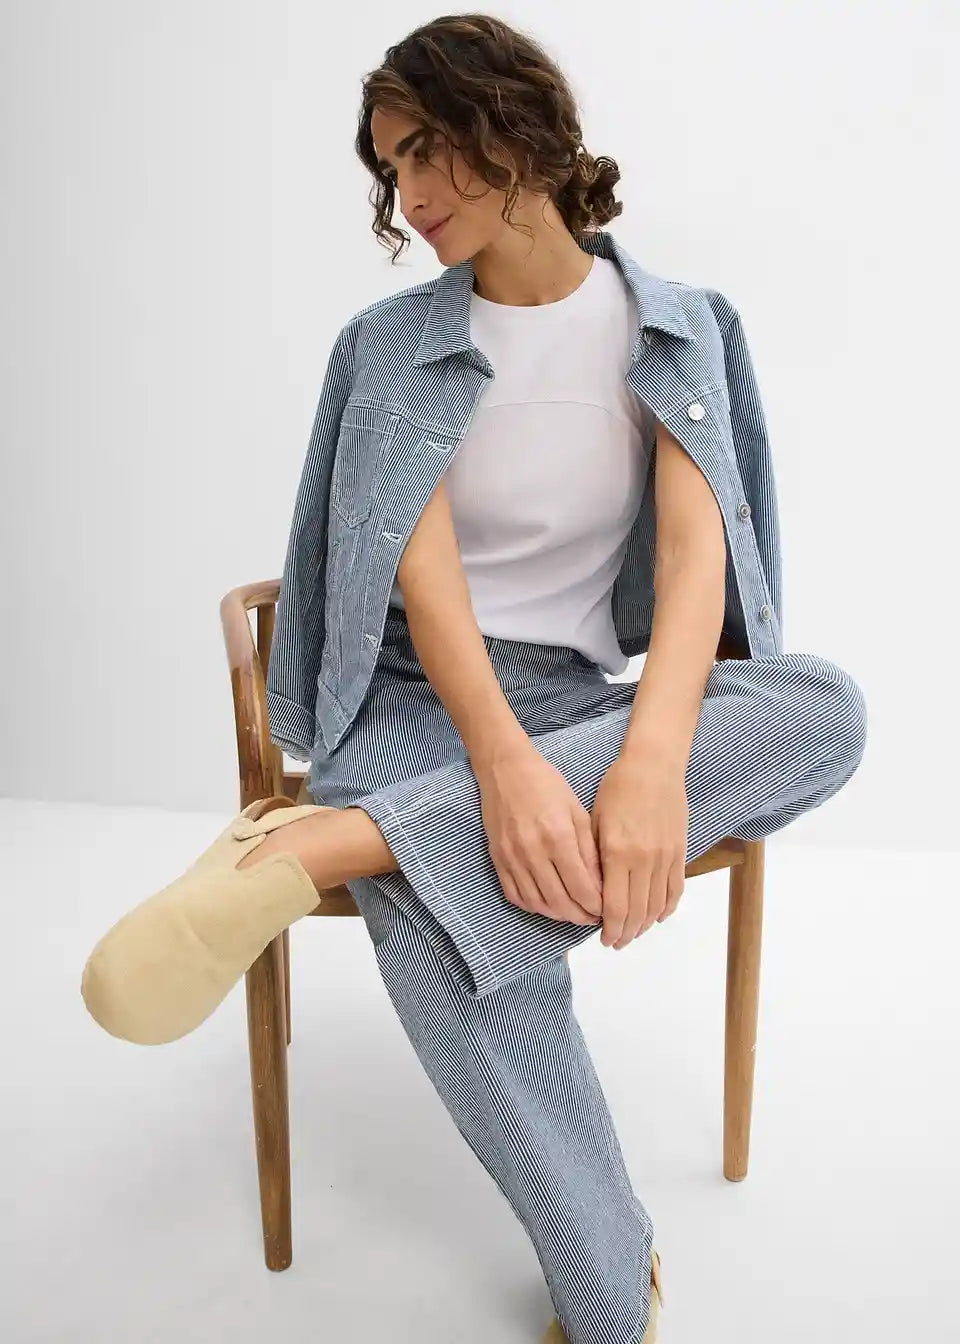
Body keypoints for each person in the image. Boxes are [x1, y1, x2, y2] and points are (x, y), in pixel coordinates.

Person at [81, 14, 868, 1344]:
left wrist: (650, 765)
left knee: (827, 707)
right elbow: (423, 576)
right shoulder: (391, 345)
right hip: (414, 696)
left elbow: (695, 566)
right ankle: (610, 1293)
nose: (406, 195)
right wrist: (500, 771)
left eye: (424, 151)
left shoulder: (683, 328)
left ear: (513, 128)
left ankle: (327, 843)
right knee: (454, 932)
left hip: (585, 701)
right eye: (388, 168)